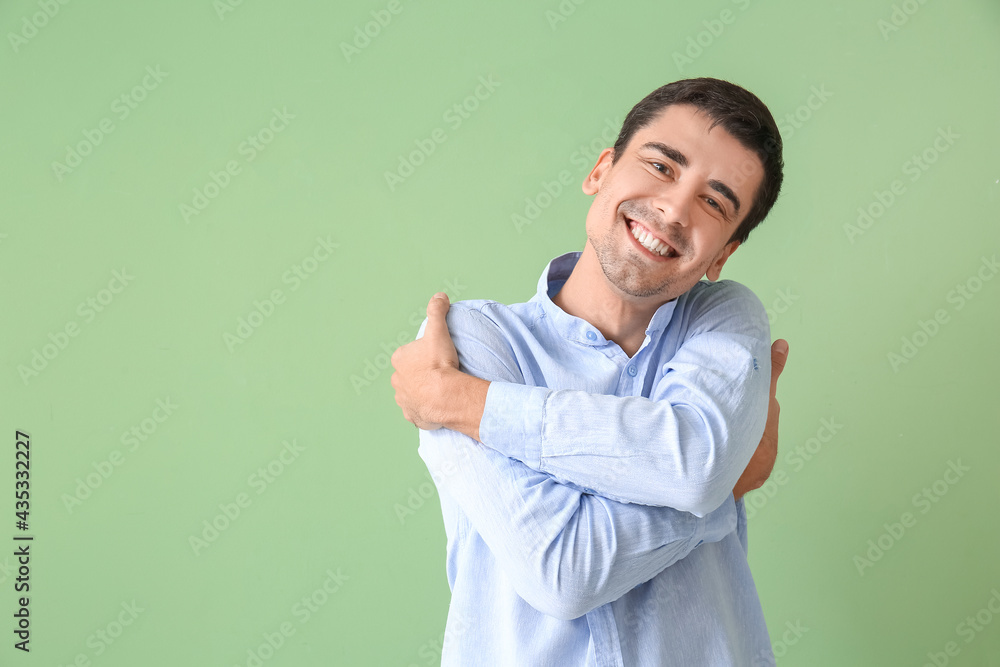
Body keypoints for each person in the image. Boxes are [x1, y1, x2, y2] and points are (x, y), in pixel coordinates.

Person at [391, 77, 790, 666]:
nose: (674, 209)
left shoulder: (725, 320)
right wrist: (720, 490)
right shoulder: (470, 340)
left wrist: (475, 406)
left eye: (714, 202)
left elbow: (697, 468)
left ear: (723, 253)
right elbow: (564, 574)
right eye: (661, 166)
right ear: (600, 172)